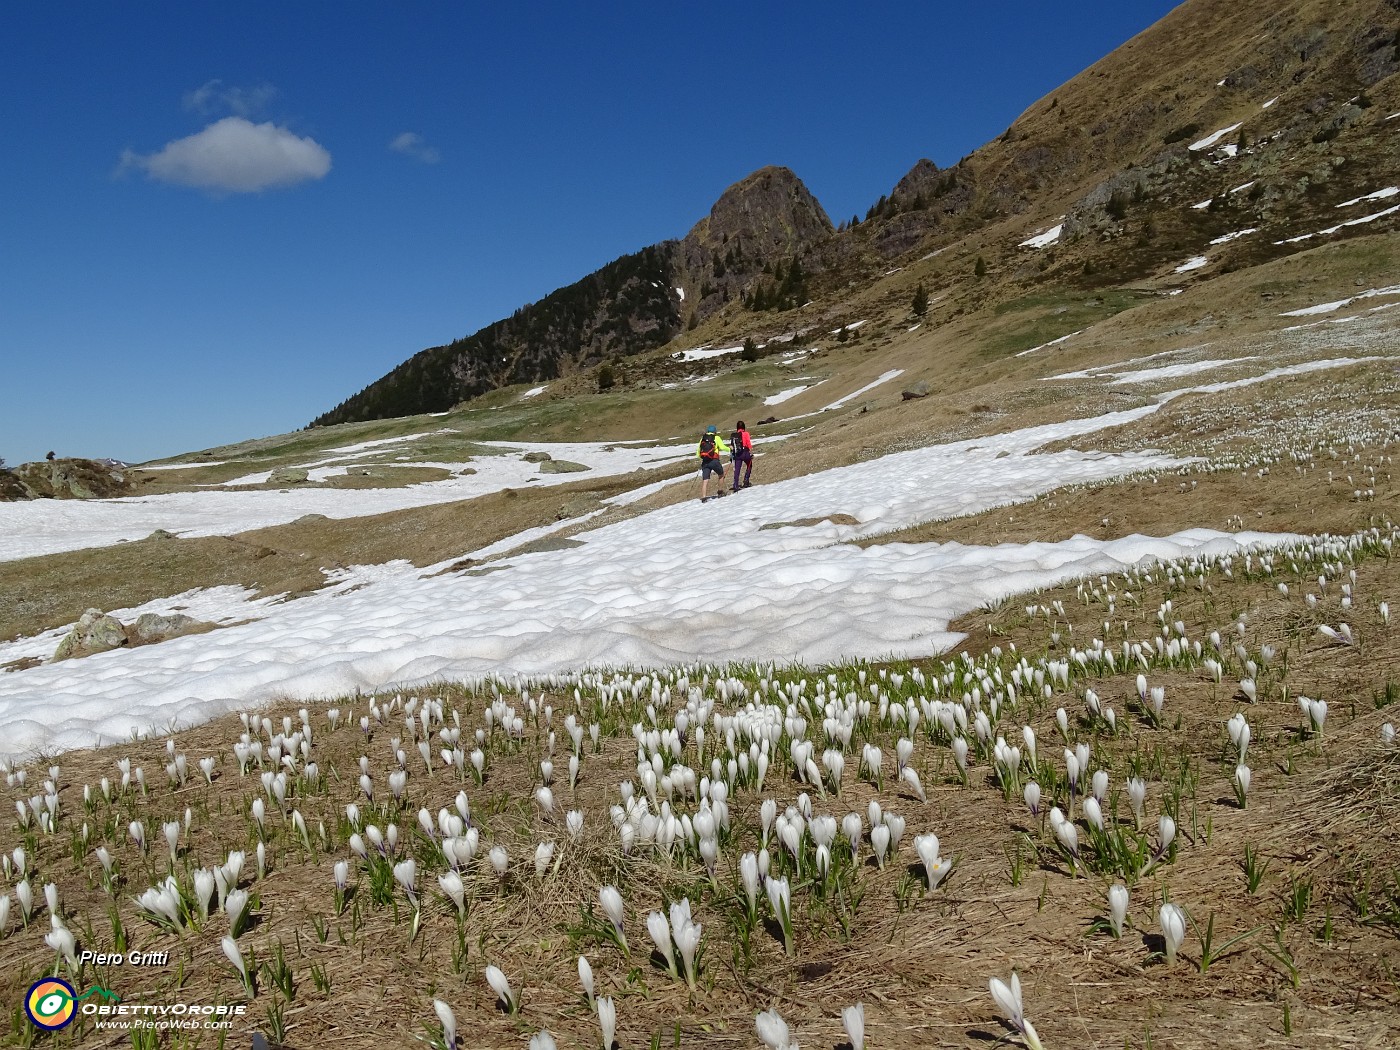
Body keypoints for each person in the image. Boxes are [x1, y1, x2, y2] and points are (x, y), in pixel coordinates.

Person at [696, 424, 730, 502]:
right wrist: (730, 449)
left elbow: (698, 452)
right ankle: (720, 492)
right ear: (715, 432)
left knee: (705, 479)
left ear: (708, 431)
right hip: (714, 460)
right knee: (721, 474)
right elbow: (722, 447)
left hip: (705, 461)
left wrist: (703, 457)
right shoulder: (716, 438)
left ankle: (704, 497)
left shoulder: (703, 438)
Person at [729, 420, 754, 491]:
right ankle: (746, 480)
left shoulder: (734, 435)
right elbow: (748, 443)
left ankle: (735, 485)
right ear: (744, 427)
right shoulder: (746, 433)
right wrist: (751, 452)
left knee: (737, 470)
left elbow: (731, 446)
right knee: (749, 464)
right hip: (745, 452)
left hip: (737, 454)